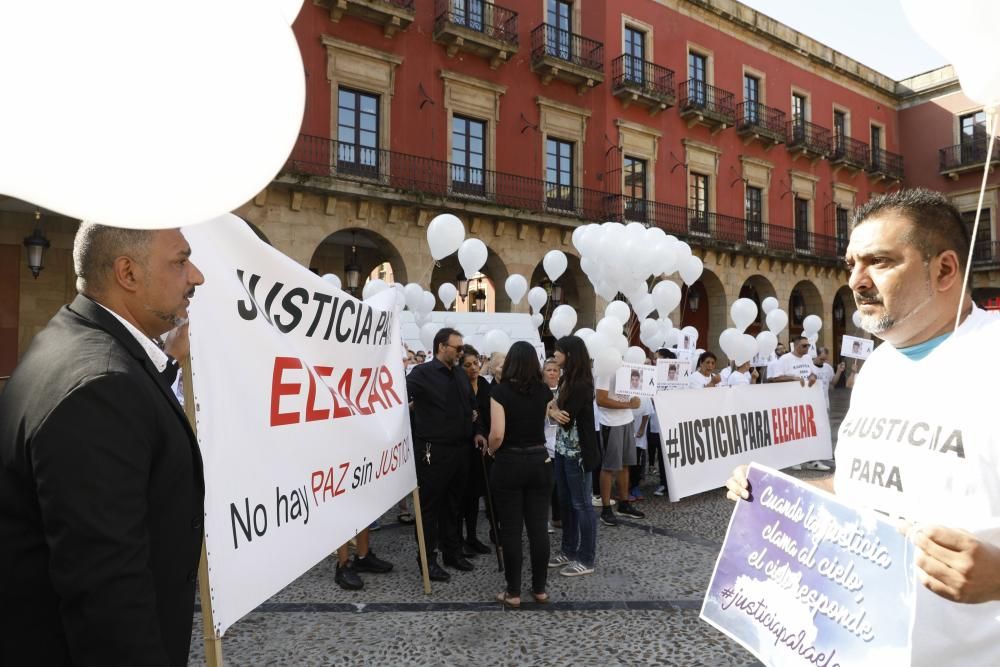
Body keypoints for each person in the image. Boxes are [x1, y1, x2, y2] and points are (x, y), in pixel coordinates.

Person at [725, 188, 1000, 666]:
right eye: (852, 263)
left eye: (880, 261)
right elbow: (860, 486)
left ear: (945, 269)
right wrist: (779, 492)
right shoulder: (878, 367)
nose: (856, 280)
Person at [0, 223, 205, 665]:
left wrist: (166, 363)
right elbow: (109, 601)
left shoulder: (70, 339)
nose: (196, 276)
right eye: (181, 260)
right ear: (127, 273)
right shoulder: (102, 389)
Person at [406, 327, 484, 582]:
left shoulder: (460, 376)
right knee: (430, 508)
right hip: (434, 451)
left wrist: (477, 430)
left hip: (461, 450)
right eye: (457, 348)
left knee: (454, 504)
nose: (461, 352)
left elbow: (474, 408)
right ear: (441, 346)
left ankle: (453, 551)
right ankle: (428, 560)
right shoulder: (421, 374)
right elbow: (397, 397)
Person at [488, 342, 555, 607]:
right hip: (540, 460)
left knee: (512, 530)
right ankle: (540, 589)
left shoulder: (500, 392)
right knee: (539, 528)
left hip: (510, 461)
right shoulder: (543, 391)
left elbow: (497, 434)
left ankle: (513, 592)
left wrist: (492, 452)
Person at [546, 335, 599, 577]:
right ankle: (568, 550)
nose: (555, 355)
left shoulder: (581, 384)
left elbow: (565, 419)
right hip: (562, 449)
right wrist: (552, 410)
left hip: (577, 453)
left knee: (582, 505)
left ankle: (586, 558)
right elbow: (554, 411)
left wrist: (553, 409)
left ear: (570, 354)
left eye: (558, 351)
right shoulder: (567, 378)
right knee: (566, 502)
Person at [767, 335, 830, 471]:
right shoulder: (785, 359)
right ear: (795, 346)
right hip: (790, 402)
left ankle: (812, 460)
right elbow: (774, 379)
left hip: (807, 401)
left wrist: (812, 377)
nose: (807, 348)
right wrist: (793, 378)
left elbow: (812, 373)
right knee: (793, 430)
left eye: (808, 345)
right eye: (804, 345)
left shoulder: (807, 358)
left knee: (809, 430)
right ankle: (793, 458)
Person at [595, 358, 646, 526]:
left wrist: (636, 400)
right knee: (609, 467)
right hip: (611, 423)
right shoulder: (605, 369)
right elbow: (601, 399)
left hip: (626, 421)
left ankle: (624, 503)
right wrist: (628, 405)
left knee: (625, 464)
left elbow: (633, 392)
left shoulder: (627, 368)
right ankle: (606, 509)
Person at [459, 345, 493, 555]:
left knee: (474, 496)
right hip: (462, 448)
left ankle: (472, 537)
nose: (473, 368)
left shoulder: (484, 384)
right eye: (467, 365)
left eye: (475, 363)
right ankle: (457, 540)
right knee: (461, 497)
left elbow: (487, 414)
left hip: (482, 447)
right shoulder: (458, 386)